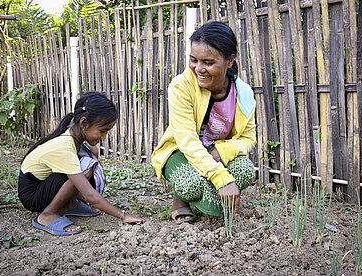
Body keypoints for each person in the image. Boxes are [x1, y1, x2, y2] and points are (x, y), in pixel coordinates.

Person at [151, 21, 257, 224]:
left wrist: (222, 150)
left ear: (230, 61)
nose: (199, 69)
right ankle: (181, 198)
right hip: (181, 152)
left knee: (245, 171)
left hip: (216, 152)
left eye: (208, 63)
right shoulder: (181, 86)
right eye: (193, 60)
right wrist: (221, 178)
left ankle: (213, 196)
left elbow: (248, 138)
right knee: (191, 185)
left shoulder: (242, 93)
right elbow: (187, 141)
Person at [18, 92, 144, 236]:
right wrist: (123, 215)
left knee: (91, 153)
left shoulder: (74, 138)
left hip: (43, 185)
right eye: (102, 131)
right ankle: (48, 214)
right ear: (83, 122)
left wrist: (84, 198)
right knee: (85, 168)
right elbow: (89, 193)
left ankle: (69, 204)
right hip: (32, 195)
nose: (103, 137)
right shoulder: (64, 146)